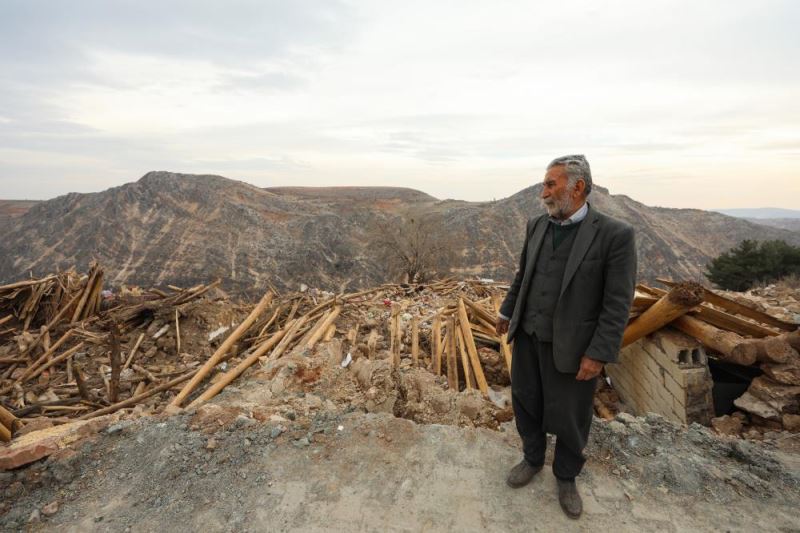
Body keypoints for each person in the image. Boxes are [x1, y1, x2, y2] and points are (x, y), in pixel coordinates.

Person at [495, 155, 636, 519]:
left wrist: (599, 353)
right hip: (528, 336)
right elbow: (523, 275)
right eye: (544, 184)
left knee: (571, 414)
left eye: (550, 184)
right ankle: (532, 458)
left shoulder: (614, 235)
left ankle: (566, 475)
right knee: (526, 402)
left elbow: (617, 302)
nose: (543, 192)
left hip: (575, 348)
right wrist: (507, 311)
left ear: (578, 187)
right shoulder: (536, 226)